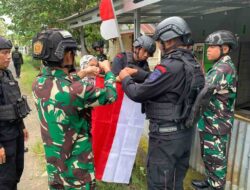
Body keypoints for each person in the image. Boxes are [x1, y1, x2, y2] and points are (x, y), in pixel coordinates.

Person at [119, 16, 205, 190]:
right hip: (184, 135)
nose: (159, 46)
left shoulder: (169, 66)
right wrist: (138, 73)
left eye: (160, 42)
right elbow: (166, 83)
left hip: (165, 140)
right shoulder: (192, 63)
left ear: (170, 39)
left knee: (159, 183)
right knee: (174, 183)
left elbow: (138, 93)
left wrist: (125, 78)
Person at [31, 28, 117, 190]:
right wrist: (108, 70)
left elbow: (62, 83)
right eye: (71, 52)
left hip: (55, 169)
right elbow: (111, 95)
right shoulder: (79, 90)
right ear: (66, 55)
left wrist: (84, 72)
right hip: (77, 172)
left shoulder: (38, 84)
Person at [191, 30, 238, 190]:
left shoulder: (223, 69)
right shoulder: (219, 66)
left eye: (212, 46)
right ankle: (211, 181)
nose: (208, 49)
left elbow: (204, 92)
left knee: (216, 159)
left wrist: (191, 116)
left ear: (224, 49)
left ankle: (216, 186)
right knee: (209, 156)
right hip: (210, 122)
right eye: (208, 46)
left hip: (217, 124)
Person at [0, 36, 30, 190]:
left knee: (15, 174)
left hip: (15, 134)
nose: (8, 56)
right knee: (4, 181)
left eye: (9, 52)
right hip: (3, 139)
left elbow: (15, 103)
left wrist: (22, 125)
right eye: (4, 52)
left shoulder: (7, 75)